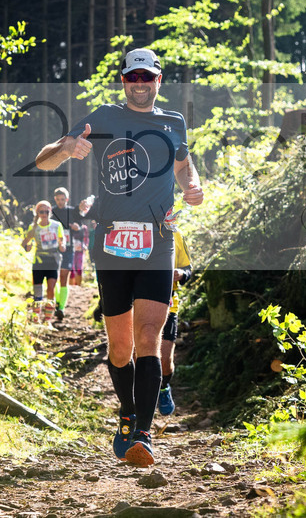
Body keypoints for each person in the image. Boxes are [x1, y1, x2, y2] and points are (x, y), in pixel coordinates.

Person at [35, 47, 204, 467]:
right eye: (134, 78)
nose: (141, 84)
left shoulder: (173, 122)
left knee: (149, 337)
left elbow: (185, 166)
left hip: (159, 242)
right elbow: (43, 161)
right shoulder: (104, 117)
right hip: (111, 243)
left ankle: (143, 434)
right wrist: (67, 146)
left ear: (159, 81)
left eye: (149, 78)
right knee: (120, 347)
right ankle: (126, 414)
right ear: (124, 81)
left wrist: (192, 187)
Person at [158, 226, 191, 416]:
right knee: (138, 356)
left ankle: (163, 388)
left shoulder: (176, 234)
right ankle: (139, 396)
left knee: (165, 360)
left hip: (169, 303)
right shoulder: (138, 229)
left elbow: (188, 268)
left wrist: (181, 273)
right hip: (139, 300)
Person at [20, 200, 67, 324]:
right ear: (37, 213)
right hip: (39, 261)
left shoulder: (57, 226)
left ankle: (47, 320)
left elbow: (62, 241)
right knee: (38, 290)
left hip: (53, 260)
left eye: (47, 211)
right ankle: (36, 318)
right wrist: (27, 247)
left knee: (51, 288)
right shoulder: (33, 227)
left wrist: (62, 246)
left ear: (50, 211)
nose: (44, 214)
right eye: (42, 211)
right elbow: (24, 242)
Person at [51, 186, 84, 322]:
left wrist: (77, 227)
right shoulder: (51, 211)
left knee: (64, 276)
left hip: (68, 249)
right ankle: (57, 302)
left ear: (67, 199)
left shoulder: (72, 211)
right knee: (54, 277)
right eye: (58, 199)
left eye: (62, 199)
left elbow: (80, 226)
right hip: (53, 248)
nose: (60, 202)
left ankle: (61, 308)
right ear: (55, 199)